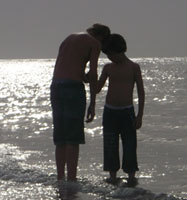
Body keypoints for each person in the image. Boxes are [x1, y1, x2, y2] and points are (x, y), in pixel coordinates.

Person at [50, 24, 111, 181]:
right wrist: (92, 103)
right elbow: (93, 72)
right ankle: (72, 178)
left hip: (56, 85)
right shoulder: (94, 43)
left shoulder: (69, 38)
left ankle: (60, 177)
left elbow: (70, 66)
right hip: (73, 88)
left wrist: (84, 76)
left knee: (61, 136)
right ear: (101, 37)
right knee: (73, 137)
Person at [97, 33, 145, 186]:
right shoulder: (108, 67)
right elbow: (97, 88)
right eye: (108, 55)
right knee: (110, 144)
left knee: (130, 144)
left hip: (127, 111)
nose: (110, 58)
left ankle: (131, 177)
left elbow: (141, 92)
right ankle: (112, 176)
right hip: (110, 111)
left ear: (120, 50)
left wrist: (139, 116)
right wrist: (88, 78)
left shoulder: (133, 67)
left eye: (111, 54)